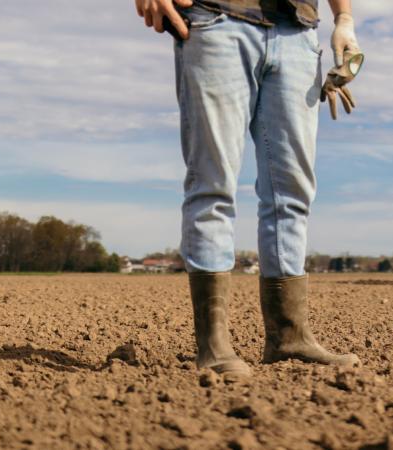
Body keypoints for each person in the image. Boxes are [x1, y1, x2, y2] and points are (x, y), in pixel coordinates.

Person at [134, 0, 362, 376]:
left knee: (293, 191)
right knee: (213, 182)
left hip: (298, 32)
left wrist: (345, 19)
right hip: (218, 20)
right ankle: (213, 345)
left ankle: (288, 337)